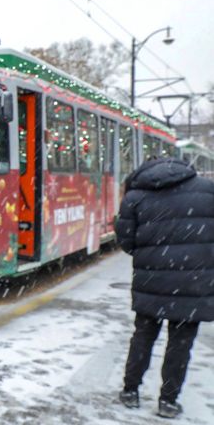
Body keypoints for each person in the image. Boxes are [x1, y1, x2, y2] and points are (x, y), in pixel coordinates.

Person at [115, 157, 214, 419]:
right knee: (180, 345)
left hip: (151, 281)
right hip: (193, 283)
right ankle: (167, 401)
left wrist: (152, 256)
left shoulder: (136, 195)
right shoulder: (207, 190)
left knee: (143, 337)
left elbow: (125, 241)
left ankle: (130, 391)